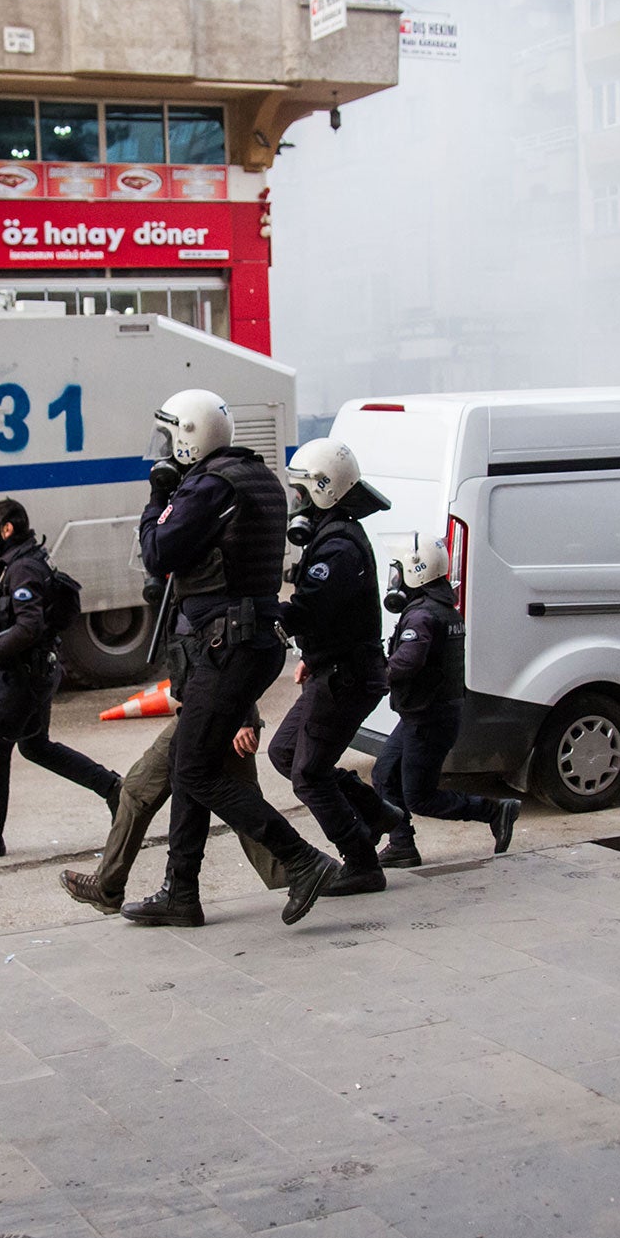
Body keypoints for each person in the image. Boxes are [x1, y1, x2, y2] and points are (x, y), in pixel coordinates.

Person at [121, 389, 342, 927]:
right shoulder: (257, 478)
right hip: (244, 642)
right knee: (188, 764)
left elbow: (158, 552)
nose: (167, 448)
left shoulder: (209, 484)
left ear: (190, 436)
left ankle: (301, 859)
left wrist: (157, 499)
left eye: (172, 435)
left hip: (225, 646)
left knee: (194, 768)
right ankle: (181, 891)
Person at [0, 498, 121, 859]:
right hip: (39, 671)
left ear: (6, 529)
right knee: (36, 746)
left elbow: (28, 627)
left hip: (22, 677)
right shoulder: (27, 561)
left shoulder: (23, 568)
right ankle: (112, 787)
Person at [266, 439, 393, 896]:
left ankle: (361, 862)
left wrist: (266, 617)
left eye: (300, 492)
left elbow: (310, 608)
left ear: (323, 490)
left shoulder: (338, 546)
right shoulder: (330, 533)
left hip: (347, 679)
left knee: (309, 775)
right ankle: (376, 812)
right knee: (285, 754)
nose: (295, 502)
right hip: (330, 671)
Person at [371, 534, 520, 867]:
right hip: (424, 714)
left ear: (415, 573)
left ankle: (494, 811)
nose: (394, 581)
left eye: (398, 572)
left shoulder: (422, 615)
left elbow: (408, 660)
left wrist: (375, 674)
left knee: (420, 797)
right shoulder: (442, 608)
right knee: (384, 775)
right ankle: (402, 846)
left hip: (429, 719)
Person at [59, 715, 286, 913]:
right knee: (242, 805)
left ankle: (107, 886)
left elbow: (240, 664)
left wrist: (242, 718)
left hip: (213, 710)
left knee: (139, 790)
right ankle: (293, 877)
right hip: (210, 708)